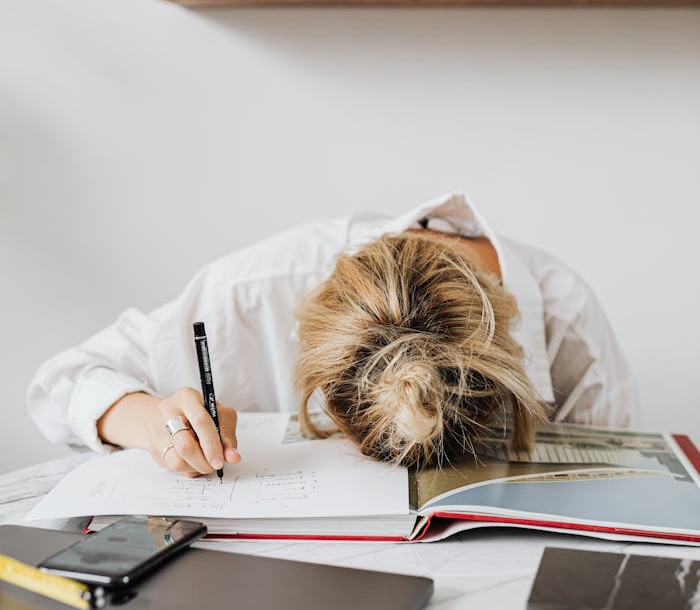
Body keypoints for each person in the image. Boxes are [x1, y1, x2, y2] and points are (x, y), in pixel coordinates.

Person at [27, 191, 639, 477]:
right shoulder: (258, 290)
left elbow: (622, 494)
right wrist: (154, 422)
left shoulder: (568, 322)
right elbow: (61, 383)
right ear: (313, 349)